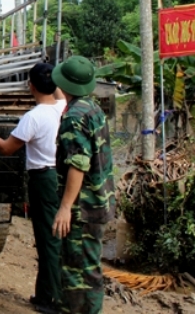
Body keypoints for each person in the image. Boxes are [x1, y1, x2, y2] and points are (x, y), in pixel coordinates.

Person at [0, 63, 65, 314]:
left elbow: (5, 148)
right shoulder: (61, 107)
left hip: (43, 180)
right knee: (53, 237)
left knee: (48, 240)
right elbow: (60, 93)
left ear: (30, 86)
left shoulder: (32, 118)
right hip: (60, 177)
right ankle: (46, 294)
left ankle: (52, 300)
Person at [50, 56, 116, 314]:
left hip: (82, 208)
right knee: (89, 270)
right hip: (97, 203)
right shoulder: (92, 109)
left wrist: (66, 207)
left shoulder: (75, 116)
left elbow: (78, 163)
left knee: (76, 274)